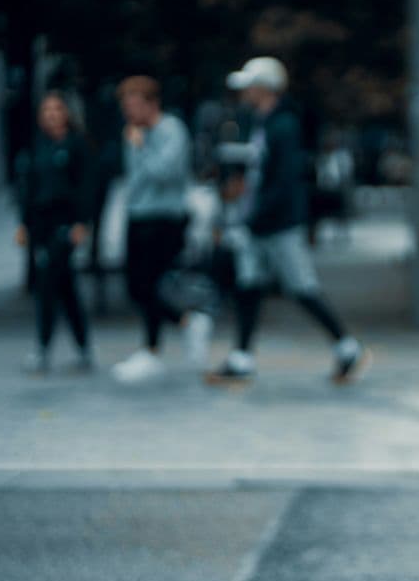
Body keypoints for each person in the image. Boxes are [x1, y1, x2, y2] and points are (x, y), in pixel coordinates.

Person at [207, 57, 367, 384]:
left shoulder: (283, 126)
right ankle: (242, 357)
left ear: (264, 87)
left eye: (250, 86)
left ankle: (346, 346)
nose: (245, 93)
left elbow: (283, 181)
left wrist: (253, 218)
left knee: (301, 287)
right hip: (259, 223)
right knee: (248, 286)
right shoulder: (262, 123)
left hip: (277, 224)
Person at [111, 75, 213, 383]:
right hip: (138, 214)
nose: (129, 114)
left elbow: (164, 173)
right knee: (136, 286)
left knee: (153, 284)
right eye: (125, 107)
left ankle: (171, 334)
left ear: (151, 104)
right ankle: (171, 333)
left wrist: (141, 147)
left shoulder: (171, 130)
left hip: (165, 217)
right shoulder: (134, 132)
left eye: (134, 106)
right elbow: (135, 178)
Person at [15, 92, 93, 373]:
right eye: (47, 109)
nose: (52, 114)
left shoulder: (75, 145)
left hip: (66, 223)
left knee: (47, 284)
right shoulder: (38, 147)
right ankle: (83, 346)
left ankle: (43, 346)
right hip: (41, 224)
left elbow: (86, 186)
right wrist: (24, 223)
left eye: (57, 109)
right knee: (65, 287)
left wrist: (82, 223)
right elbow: (27, 188)